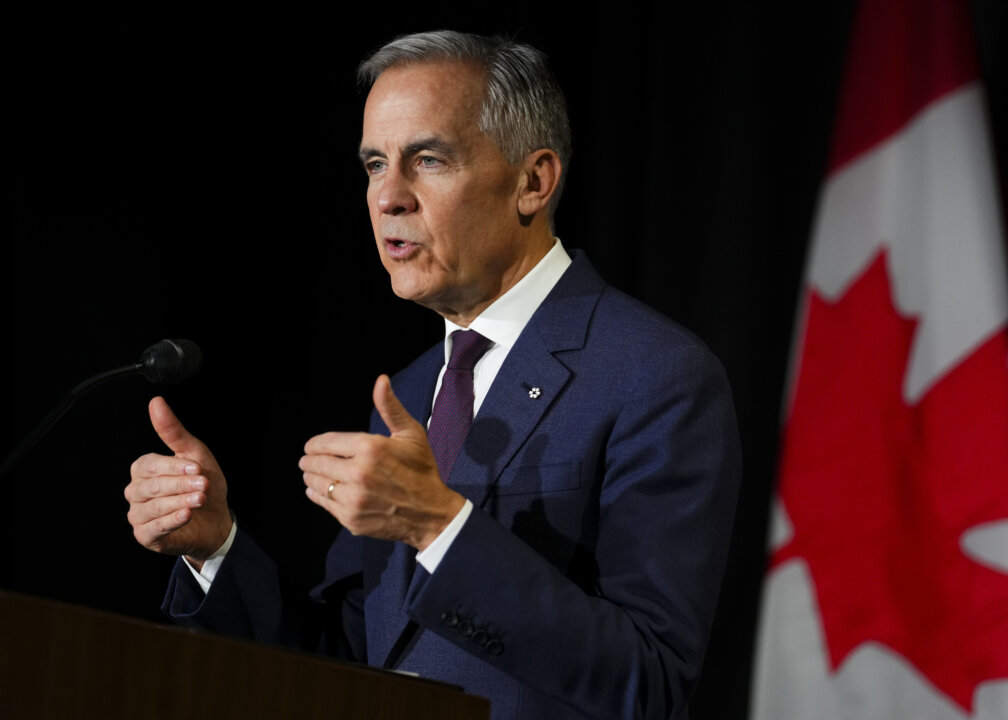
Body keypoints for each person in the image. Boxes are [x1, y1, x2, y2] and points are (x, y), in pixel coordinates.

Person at [124, 30, 741, 720]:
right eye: (374, 164)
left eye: (428, 159)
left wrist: (439, 526)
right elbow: (349, 655)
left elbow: (650, 682)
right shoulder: (414, 390)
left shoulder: (655, 374)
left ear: (532, 182)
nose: (388, 197)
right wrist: (217, 548)